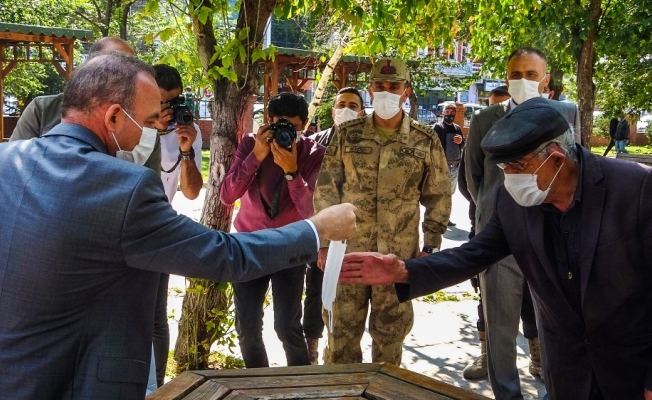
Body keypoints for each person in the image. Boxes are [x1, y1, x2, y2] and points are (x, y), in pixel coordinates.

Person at [0, 52, 356, 399]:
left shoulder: (7, 161)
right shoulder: (125, 187)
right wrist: (317, 228)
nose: (155, 130)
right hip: (80, 381)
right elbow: (223, 256)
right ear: (114, 116)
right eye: (149, 121)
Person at [340, 97, 652, 400]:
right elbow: (473, 255)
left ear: (556, 159)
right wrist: (403, 270)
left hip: (632, 371)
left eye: (518, 165)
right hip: (567, 372)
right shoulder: (514, 202)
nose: (510, 177)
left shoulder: (636, 189)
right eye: (504, 166)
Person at [314, 57, 451, 365]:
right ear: (370, 90)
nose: (386, 91)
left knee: (391, 336)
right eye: (380, 85)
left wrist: (431, 246)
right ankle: (343, 390)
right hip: (346, 253)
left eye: (394, 86)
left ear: (406, 92)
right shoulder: (348, 134)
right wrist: (323, 243)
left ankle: (384, 389)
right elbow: (326, 189)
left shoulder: (424, 138)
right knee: (340, 333)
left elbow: (439, 195)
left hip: (397, 258)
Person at [464, 47, 549, 398]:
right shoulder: (485, 120)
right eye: (516, 74)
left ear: (545, 79)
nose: (523, 80)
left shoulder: (563, 115)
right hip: (498, 239)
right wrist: (492, 212)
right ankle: (507, 393)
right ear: (506, 77)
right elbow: (473, 178)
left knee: (554, 324)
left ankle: (554, 386)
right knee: (499, 327)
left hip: (549, 238)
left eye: (531, 74)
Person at [220, 92, 326, 368]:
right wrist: (256, 156)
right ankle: (259, 383)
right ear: (268, 121)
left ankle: (298, 384)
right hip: (249, 244)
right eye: (279, 124)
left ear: (304, 125)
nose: (285, 133)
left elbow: (312, 211)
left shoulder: (314, 153)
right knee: (247, 327)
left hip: (291, 245)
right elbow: (227, 196)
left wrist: (292, 172)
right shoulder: (250, 144)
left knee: (287, 326)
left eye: (292, 127)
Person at [150, 64, 204, 386]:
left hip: (158, 226)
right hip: (121, 225)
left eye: (175, 101)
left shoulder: (187, 129)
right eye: (162, 102)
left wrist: (186, 151)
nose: (170, 109)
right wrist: (152, 130)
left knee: (157, 316)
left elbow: (192, 191)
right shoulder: (132, 124)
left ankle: (156, 387)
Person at [304, 87, 365, 364]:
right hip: (322, 234)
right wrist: (323, 242)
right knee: (316, 291)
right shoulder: (315, 144)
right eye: (341, 104)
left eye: (353, 105)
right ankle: (312, 349)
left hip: (358, 235)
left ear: (361, 112)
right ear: (332, 110)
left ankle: (344, 350)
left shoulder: (368, 145)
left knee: (352, 296)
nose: (346, 109)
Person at [433, 103, 464, 227]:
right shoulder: (438, 127)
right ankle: (436, 218)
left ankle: (446, 217)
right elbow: (432, 145)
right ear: (443, 113)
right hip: (442, 166)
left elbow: (462, 144)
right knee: (440, 193)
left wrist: (461, 141)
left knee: (449, 194)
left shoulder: (457, 128)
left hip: (454, 167)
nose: (449, 115)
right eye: (447, 113)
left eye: (452, 113)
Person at [543, 74, 582, 146]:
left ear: (551, 94)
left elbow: (575, 147)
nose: (538, 94)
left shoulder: (568, 112)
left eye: (543, 90)